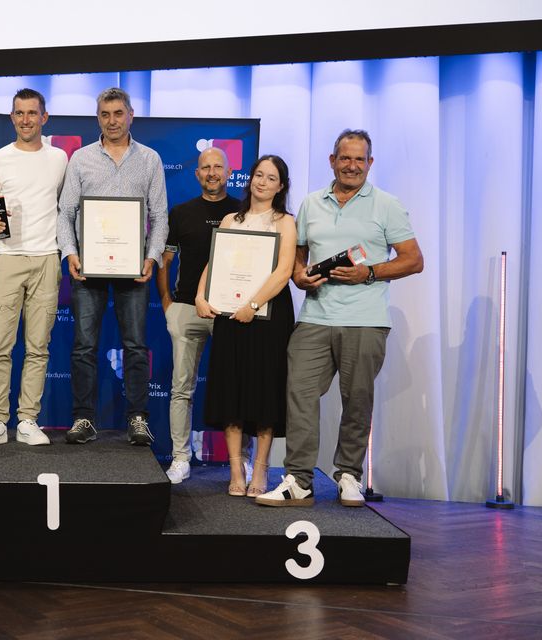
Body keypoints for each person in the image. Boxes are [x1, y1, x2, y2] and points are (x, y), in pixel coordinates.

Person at [256, 129, 423, 508]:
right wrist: (299, 276)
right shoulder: (312, 203)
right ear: (332, 161)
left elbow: (414, 259)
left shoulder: (387, 204)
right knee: (299, 395)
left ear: (370, 163)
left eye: (359, 159)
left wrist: (370, 272)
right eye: (345, 158)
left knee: (357, 399)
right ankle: (298, 481)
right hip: (315, 317)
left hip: (366, 320)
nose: (352, 166)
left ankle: (349, 475)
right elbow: (299, 255)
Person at [57, 87, 168, 446]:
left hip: (133, 267)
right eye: (105, 114)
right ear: (98, 118)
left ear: (130, 115)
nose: (112, 121)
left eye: (118, 113)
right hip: (87, 266)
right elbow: (66, 213)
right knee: (83, 346)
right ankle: (84, 419)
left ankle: (137, 419)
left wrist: (151, 257)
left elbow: (159, 215)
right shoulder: (81, 158)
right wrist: (70, 253)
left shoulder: (149, 159)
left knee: (135, 345)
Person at [195, 155, 296, 498]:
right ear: (250, 179)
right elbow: (215, 263)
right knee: (231, 390)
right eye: (258, 175)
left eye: (271, 178)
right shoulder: (230, 219)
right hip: (230, 316)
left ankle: (261, 469)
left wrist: (253, 306)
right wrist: (200, 295)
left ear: (281, 186)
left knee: (264, 391)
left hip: (268, 317)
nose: (262, 182)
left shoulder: (285, 222)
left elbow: (284, 271)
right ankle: (236, 470)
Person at [0, 88, 68, 447]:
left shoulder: (59, 158)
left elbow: (66, 206)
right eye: (19, 113)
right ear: (12, 117)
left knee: (38, 346)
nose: (25, 119)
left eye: (32, 113)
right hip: (7, 257)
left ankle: (28, 420)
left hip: (47, 258)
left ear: (44, 117)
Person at [156, 147, 240, 483]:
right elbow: (165, 260)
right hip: (186, 308)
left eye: (218, 167)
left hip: (231, 313)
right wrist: (167, 301)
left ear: (230, 172)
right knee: (181, 388)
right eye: (206, 167)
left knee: (237, 387)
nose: (212, 173)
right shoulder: (181, 213)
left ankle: (241, 460)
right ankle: (180, 457)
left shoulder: (243, 212)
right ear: (197, 174)